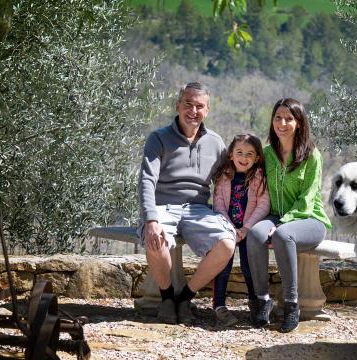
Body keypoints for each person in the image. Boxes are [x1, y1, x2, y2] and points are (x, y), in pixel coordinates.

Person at [138, 82, 236, 325]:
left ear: (207, 111)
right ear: (178, 106)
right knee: (156, 239)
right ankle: (167, 297)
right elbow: (146, 181)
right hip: (163, 207)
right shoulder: (158, 138)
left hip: (198, 210)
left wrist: (228, 216)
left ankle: (185, 297)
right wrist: (151, 219)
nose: (193, 111)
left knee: (226, 243)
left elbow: (226, 181)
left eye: (199, 106)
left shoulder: (215, 142)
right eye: (188, 104)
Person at [247, 98, 331, 332]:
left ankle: (291, 304)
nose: (282, 123)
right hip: (275, 215)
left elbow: (307, 198)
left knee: (284, 235)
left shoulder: (312, 155)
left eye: (289, 119)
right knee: (255, 234)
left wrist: (283, 223)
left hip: (309, 219)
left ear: (300, 123)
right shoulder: (266, 154)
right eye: (277, 118)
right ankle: (262, 300)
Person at [211, 133, 270, 327]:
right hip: (227, 230)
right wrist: (231, 228)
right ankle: (219, 306)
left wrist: (246, 228)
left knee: (248, 266)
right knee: (222, 266)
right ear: (231, 155)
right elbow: (218, 205)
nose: (244, 158)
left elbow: (263, 204)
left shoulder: (258, 177)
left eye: (249, 154)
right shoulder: (224, 176)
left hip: (248, 230)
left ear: (257, 158)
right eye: (239, 153)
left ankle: (256, 303)